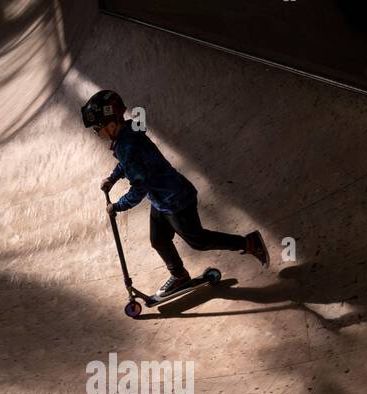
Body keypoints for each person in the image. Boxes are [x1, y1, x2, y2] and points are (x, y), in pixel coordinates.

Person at [82, 90, 269, 299]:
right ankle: (179, 276)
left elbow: (139, 188)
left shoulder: (128, 146)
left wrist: (117, 206)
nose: (98, 134)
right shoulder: (127, 136)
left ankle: (248, 243)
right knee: (159, 240)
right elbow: (128, 165)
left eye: (98, 128)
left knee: (198, 241)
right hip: (162, 200)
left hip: (176, 201)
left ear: (112, 124)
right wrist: (112, 178)